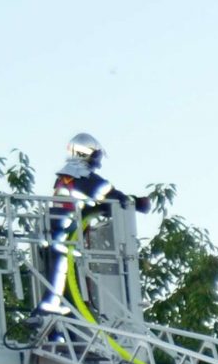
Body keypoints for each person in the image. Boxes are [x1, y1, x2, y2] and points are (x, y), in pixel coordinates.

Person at [36, 133, 149, 323]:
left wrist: (100, 208)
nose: (97, 160)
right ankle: (49, 308)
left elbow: (94, 203)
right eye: (95, 155)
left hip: (55, 229)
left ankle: (56, 325)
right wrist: (137, 203)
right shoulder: (84, 178)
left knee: (61, 278)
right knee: (62, 273)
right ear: (85, 154)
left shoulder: (66, 178)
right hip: (66, 231)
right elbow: (113, 197)